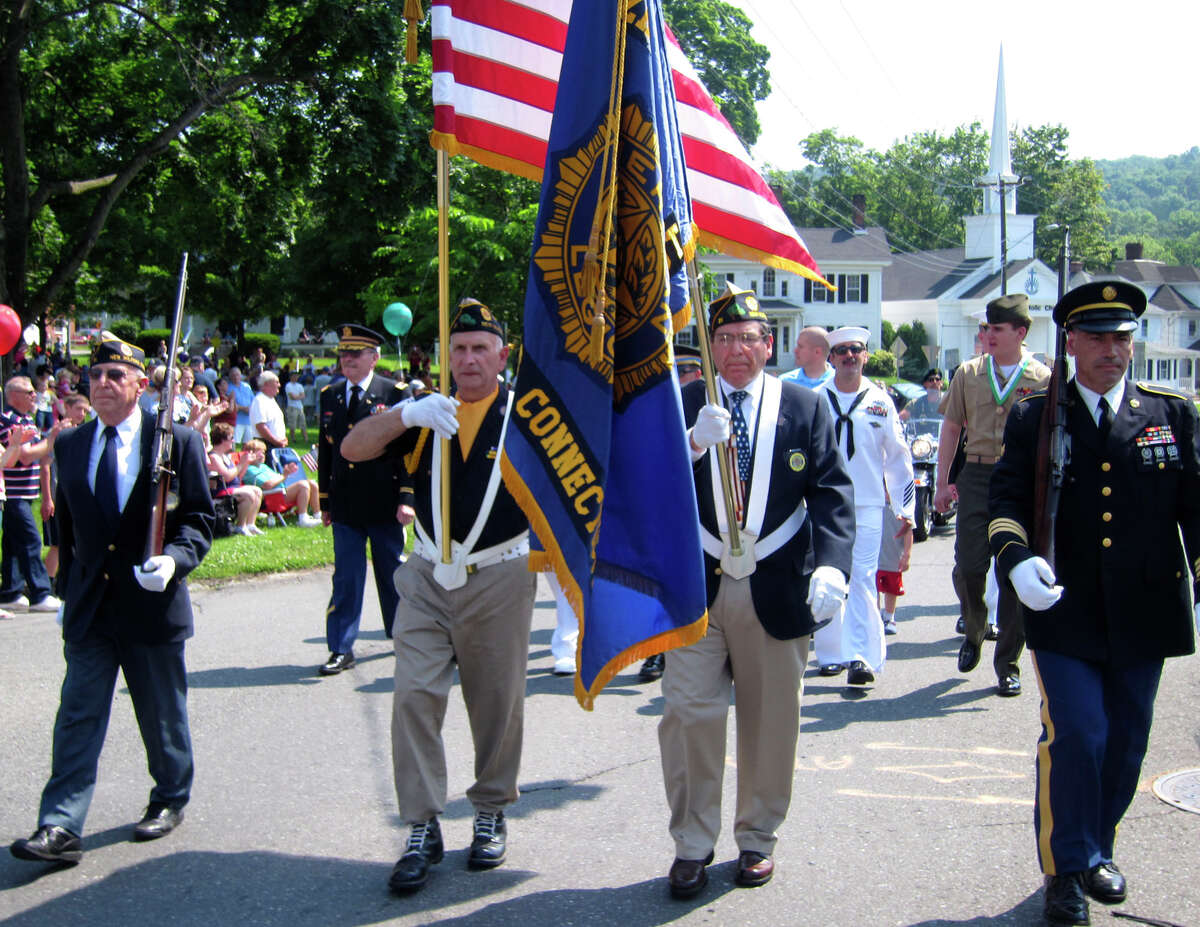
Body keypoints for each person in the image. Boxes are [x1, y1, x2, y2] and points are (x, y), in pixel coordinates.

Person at [988, 281, 1198, 925]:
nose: (1113, 351)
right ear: (1071, 342)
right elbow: (1004, 504)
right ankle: (1065, 868)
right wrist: (1016, 559)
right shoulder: (1034, 416)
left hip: (1147, 606)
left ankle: (1098, 845)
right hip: (1066, 609)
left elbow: (1196, 509)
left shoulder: (1172, 413)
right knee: (1079, 734)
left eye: (1123, 338)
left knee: (1127, 741)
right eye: (1100, 339)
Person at [661, 283, 854, 897]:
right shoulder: (685, 401)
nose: (736, 349)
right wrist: (691, 443)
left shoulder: (804, 405)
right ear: (710, 346)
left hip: (776, 583)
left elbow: (832, 491)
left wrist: (834, 565)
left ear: (769, 346)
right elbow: (647, 485)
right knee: (689, 714)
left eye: (748, 338)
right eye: (723, 338)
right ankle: (692, 843)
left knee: (771, 722)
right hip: (698, 582)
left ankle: (756, 838)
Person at [341, 299, 535, 895]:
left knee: (495, 703)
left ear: (503, 355)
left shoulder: (528, 414)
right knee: (414, 697)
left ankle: (490, 808)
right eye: (459, 348)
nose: (469, 359)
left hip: (498, 573)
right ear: (446, 357)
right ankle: (423, 823)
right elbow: (353, 448)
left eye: (481, 348)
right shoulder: (426, 410)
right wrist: (406, 413)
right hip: (425, 573)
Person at [9, 337, 214, 866]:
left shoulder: (176, 442)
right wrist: (64, 585)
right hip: (91, 607)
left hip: (150, 604)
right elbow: (69, 527)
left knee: (160, 713)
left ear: (140, 385)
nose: (102, 382)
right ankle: (60, 825)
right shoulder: (72, 444)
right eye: (95, 374)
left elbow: (198, 519)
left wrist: (173, 560)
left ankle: (170, 796)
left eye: (115, 375)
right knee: (77, 715)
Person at [934, 294, 1050, 698]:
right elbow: (950, 428)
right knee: (968, 565)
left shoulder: (1043, 377)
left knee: (1014, 573)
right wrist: (941, 482)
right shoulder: (968, 373)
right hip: (977, 474)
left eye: (997, 329)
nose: (988, 335)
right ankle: (975, 624)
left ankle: (1008, 663)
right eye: (986, 328)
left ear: (1020, 333)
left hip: (1020, 480)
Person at [813, 327, 914, 686]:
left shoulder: (880, 400)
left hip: (869, 503)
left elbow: (898, 459)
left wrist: (907, 512)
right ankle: (829, 653)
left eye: (856, 350)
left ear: (866, 356)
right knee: (827, 577)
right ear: (831, 358)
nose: (849, 356)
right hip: (825, 503)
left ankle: (862, 658)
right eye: (841, 351)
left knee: (862, 580)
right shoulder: (817, 399)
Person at [315, 324, 409, 676]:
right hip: (346, 504)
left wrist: (407, 497)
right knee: (347, 577)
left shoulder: (394, 393)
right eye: (344, 353)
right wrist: (325, 500)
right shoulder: (330, 395)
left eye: (356, 353)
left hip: (385, 501)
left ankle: (403, 636)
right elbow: (327, 453)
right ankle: (340, 647)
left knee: (393, 573)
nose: (347, 359)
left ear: (375, 357)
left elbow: (408, 452)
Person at [637, 343, 706, 684]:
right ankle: (656, 651)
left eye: (684, 373)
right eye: (672, 372)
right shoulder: (656, 402)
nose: (677, 380)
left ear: (698, 373)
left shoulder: (706, 399)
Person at [0, 376, 61, 612]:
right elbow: (24, 455)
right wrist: (52, 439)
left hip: (24, 491)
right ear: (13, 395)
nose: (34, 395)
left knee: (14, 544)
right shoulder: (9, 420)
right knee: (30, 540)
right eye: (28, 392)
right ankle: (40, 592)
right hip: (13, 492)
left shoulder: (26, 419)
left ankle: (11, 591)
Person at [242, 439, 322, 527]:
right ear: (250, 454)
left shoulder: (263, 466)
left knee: (312, 483)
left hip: (279, 493)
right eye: (259, 452)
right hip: (270, 498)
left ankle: (318, 515)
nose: (262, 455)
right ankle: (303, 519)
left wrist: (286, 473)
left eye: (263, 452)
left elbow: (277, 478)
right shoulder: (249, 469)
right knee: (303, 485)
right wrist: (284, 475)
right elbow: (268, 485)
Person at [208, 422, 264, 536]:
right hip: (219, 490)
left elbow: (238, 478)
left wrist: (246, 463)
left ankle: (250, 524)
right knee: (248, 494)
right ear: (222, 440)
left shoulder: (225, 456)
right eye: (231, 438)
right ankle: (240, 526)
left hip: (230, 487)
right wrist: (240, 464)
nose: (233, 441)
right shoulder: (214, 457)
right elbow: (227, 477)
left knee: (257, 491)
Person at [778, 325, 834, 389]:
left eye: (800, 346)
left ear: (817, 352)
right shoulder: (785, 382)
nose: (795, 351)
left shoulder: (838, 382)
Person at [249, 370, 287, 449]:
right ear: (266, 384)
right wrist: (276, 441)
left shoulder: (271, 400)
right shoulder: (259, 401)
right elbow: (260, 426)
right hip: (266, 445)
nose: (279, 385)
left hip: (276, 444)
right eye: (276, 382)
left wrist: (282, 439)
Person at [228, 367, 254, 445]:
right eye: (233, 375)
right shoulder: (228, 388)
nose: (236, 377)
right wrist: (243, 408)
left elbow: (253, 401)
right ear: (230, 377)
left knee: (248, 444)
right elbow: (233, 406)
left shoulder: (247, 386)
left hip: (248, 420)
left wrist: (241, 408)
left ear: (241, 376)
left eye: (237, 375)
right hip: (236, 421)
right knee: (233, 443)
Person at [283, 370, 307, 446]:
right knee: (292, 424)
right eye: (294, 375)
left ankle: (306, 439)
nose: (296, 377)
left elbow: (303, 396)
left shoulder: (300, 386)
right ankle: (293, 439)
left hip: (300, 407)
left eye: (297, 376)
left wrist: (297, 396)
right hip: (292, 407)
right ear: (291, 377)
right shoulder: (288, 385)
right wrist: (298, 396)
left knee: (303, 423)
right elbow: (292, 397)